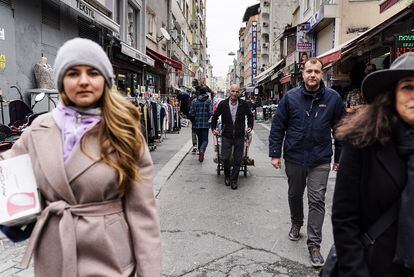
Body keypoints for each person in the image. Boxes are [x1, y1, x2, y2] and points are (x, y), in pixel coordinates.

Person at [0, 38, 162, 276]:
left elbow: (143, 215)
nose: (84, 81)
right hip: (54, 252)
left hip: (109, 257)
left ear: (105, 81)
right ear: (62, 82)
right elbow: (8, 172)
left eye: (93, 73)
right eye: (73, 73)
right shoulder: (38, 129)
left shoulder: (124, 132)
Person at [332, 52, 414, 276]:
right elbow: (344, 219)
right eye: (408, 87)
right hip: (376, 266)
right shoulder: (363, 141)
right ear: (392, 94)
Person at [268, 57, 345, 267]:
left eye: (317, 72)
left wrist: (339, 157)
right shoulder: (290, 97)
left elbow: (341, 130)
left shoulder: (333, 98)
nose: (312, 75)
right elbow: (278, 126)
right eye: (309, 71)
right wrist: (275, 153)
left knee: (317, 200)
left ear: (322, 74)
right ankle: (296, 222)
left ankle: (314, 244)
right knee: (294, 194)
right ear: (302, 74)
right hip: (294, 156)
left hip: (320, 158)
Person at [211, 84, 254, 190]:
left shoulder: (243, 104)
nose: (234, 93)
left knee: (238, 159)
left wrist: (250, 126)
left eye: (236, 91)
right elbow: (215, 116)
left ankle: (234, 180)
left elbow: (250, 116)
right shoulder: (223, 104)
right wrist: (213, 129)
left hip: (239, 135)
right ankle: (227, 176)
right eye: (233, 91)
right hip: (226, 135)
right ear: (229, 91)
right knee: (225, 158)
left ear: (239, 92)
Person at [189, 86, 212, 162]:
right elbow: (210, 113)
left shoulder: (194, 101)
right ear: (206, 93)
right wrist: (207, 119)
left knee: (200, 139)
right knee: (205, 140)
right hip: (205, 124)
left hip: (197, 124)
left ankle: (200, 152)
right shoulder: (209, 101)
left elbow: (191, 113)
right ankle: (202, 150)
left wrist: (193, 121)